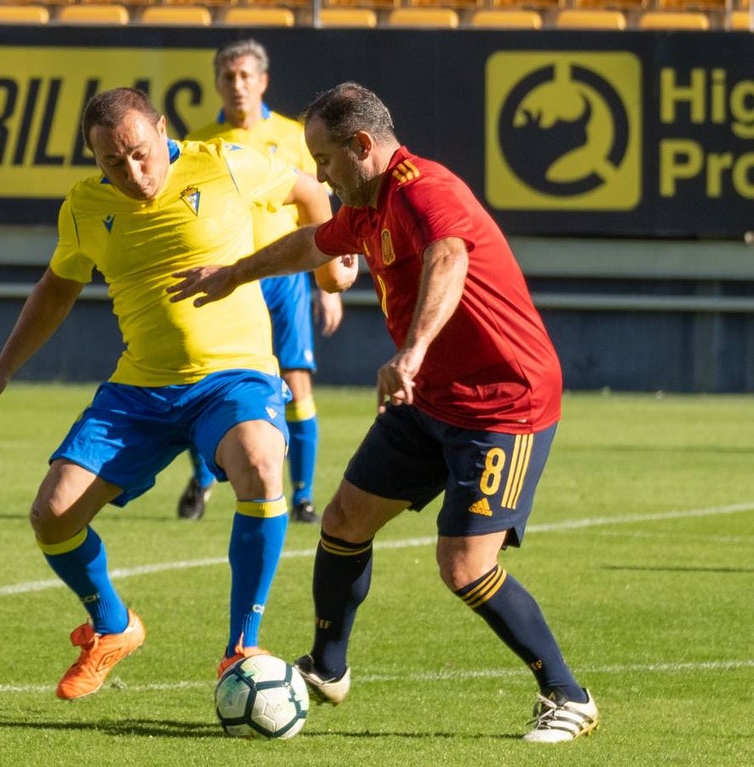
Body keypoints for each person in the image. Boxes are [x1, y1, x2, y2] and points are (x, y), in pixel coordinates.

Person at [168, 82, 599, 743]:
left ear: (362, 145)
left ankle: (568, 695)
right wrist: (235, 272)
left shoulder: (426, 188)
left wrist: (415, 350)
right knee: (343, 519)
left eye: (325, 158)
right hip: (427, 396)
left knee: (464, 565)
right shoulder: (367, 209)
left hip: (503, 403)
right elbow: (311, 243)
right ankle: (328, 666)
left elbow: (450, 256)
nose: (319, 173)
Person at [0, 87, 346, 700]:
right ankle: (113, 626)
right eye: (112, 162)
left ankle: (243, 645)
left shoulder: (225, 161)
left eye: (140, 153)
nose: (132, 172)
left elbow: (310, 191)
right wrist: (0, 373)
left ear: (161, 129)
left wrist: (329, 266)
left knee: (261, 464)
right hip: (141, 389)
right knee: (52, 517)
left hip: (234, 376)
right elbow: (56, 289)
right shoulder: (83, 207)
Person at [177, 39, 347, 525]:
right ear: (217, 83)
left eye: (245, 76)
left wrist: (325, 282)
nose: (237, 86)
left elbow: (322, 208)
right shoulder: (200, 143)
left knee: (296, 379)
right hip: (224, 278)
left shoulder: (294, 136)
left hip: (284, 279)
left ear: (263, 81)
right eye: (228, 77)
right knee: (200, 377)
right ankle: (204, 477)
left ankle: (304, 494)